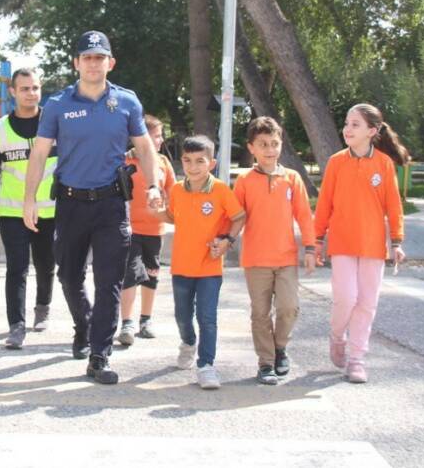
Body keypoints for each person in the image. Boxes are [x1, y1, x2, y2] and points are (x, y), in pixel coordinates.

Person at [22, 30, 163, 385]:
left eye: (100, 57)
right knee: (68, 276)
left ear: (109, 63)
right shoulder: (57, 104)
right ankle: (83, 325)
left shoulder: (127, 102)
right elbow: (39, 154)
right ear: (77, 63)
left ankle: (100, 355)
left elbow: (145, 149)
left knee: (109, 283)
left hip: (112, 206)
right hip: (70, 204)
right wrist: (29, 199)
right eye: (87, 57)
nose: (93, 63)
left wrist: (155, 186)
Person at [314, 103, 407, 384]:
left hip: (373, 245)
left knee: (366, 302)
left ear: (372, 131)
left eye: (355, 124)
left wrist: (397, 241)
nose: (348, 129)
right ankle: (336, 336)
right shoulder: (336, 162)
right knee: (346, 298)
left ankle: (356, 359)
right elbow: (324, 203)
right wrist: (316, 240)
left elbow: (394, 205)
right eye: (346, 123)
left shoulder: (384, 164)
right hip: (342, 243)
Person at [152, 135, 245, 390]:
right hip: (181, 265)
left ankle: (206, 366)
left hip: (210, 267)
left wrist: (227, 240)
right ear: (182, 162)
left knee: (207, 317)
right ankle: (188, 342)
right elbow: (172, 216)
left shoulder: (221, 191)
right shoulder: (177, 190)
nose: (193, 167)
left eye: (200, 161)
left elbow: (239, 217)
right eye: (188, 161)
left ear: (211, 163)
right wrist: (155, 210)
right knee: (182, 315)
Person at [0, 68, 58, 350]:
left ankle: (43, 307)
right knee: (17, 268)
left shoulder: (56, 123)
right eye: (24, 89)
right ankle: (16, 326)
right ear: (12, 92)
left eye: (35, 88)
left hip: (50, 209)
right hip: (12, 210)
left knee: (46, 263)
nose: (31, 93)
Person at [232, 116, 315, 385]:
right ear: (251, 148)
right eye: (263, 144)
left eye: (275, 143)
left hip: (286, 257)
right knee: (260, 313)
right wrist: (224, 240)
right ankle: (265, 362)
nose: (270, 149)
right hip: (256, 259)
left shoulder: (292, 178)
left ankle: (280, 348)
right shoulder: (244, 180)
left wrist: (311, 248)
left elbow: (304, 216)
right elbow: (234, 216)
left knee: (289, 307)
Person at [117, 114, 176, 346]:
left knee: (152, 273)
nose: (160, 141)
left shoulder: (163, 163)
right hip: (130, 229)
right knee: (130, 275)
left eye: (161, 136)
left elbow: (173, 192)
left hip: (155, 228)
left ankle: (146, 320)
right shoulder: (125, 161)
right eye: (154, 136)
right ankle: (127, 323)